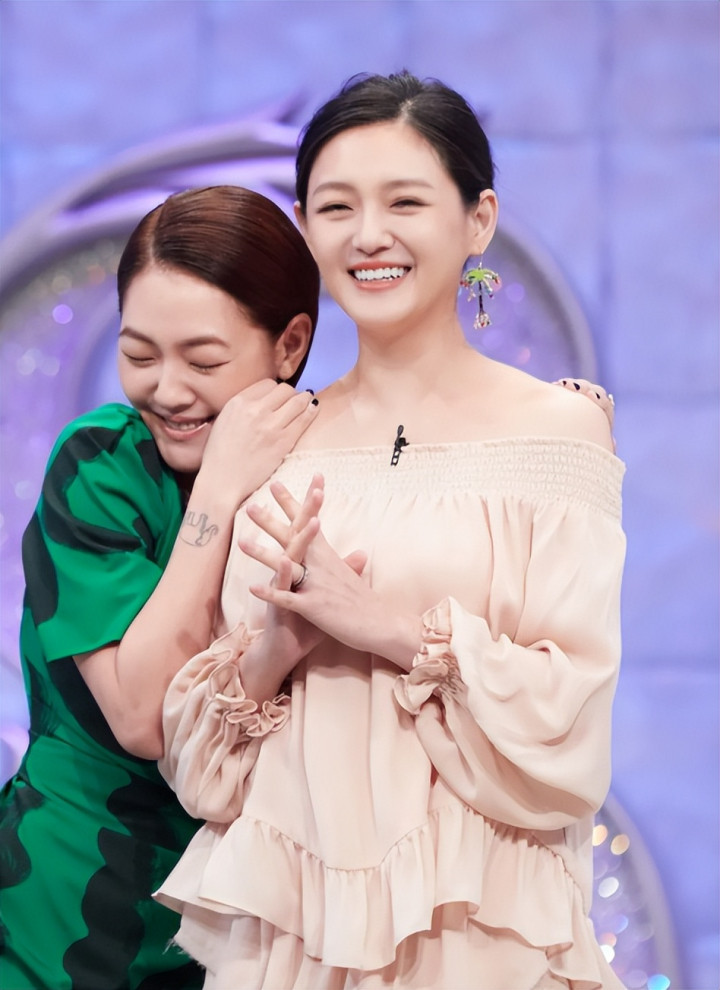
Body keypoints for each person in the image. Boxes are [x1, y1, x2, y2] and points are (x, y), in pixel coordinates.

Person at [155, 73, 626, 990]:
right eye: (337, 207)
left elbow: (569, 722)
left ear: (478, 220)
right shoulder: (274, 437)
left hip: (482, 934)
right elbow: (201, 771)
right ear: (306, 226)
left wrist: (390, 630)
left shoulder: (560, 431)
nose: (368, 235)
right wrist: (275, 650)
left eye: (405, 202)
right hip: (292, 944)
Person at [0, 185, 321, 990]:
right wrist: (218, 492)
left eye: (203, 361)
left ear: (289, 345)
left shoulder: (327, 472)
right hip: (57, 921)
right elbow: (145, 716)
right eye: (139, 356)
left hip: (240, 934)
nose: (168, 391)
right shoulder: (102, 462)